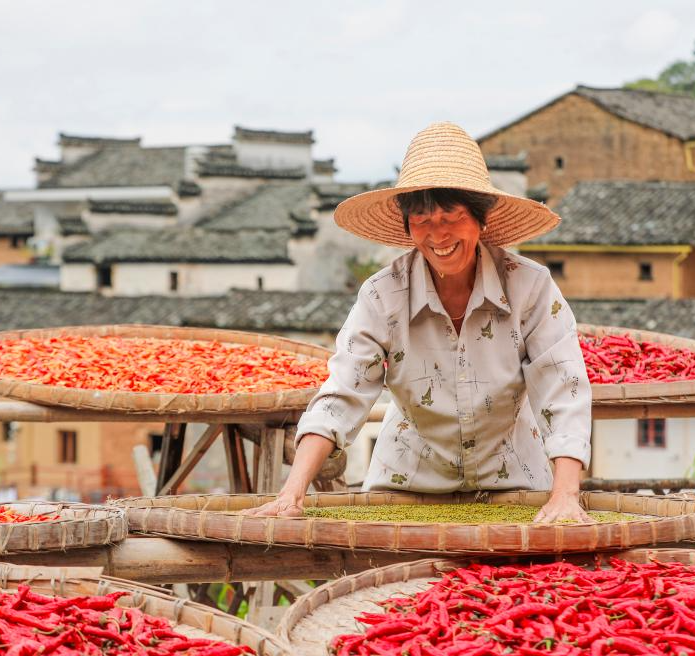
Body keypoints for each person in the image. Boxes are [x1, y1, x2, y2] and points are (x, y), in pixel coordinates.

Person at [246, 122, 592, 523]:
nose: (438, 234)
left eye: (452, 215)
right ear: (408, 227)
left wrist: (565, 495)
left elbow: (561, 387)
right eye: (422, 219)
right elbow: (343, 392)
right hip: (407, 483)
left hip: (513, 480)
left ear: (480, 220)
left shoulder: (529, 287)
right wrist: (292, 493)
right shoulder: (383, 295)